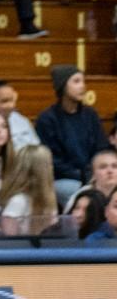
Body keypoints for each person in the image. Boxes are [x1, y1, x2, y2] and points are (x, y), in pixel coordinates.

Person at [35, 66, 109, 208]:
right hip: (64, 178)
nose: (83, 86)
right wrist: (82, 176)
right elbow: (51, 159)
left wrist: (96, 172)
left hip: (93, 175)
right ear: (62, 86)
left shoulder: (90, 114)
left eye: (83, 81)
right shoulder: (47, 119)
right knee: (83, 195)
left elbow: (101, 147)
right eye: (76, 81)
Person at [0, 144, 57, 232]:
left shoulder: (48, 199)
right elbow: (8, 240)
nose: (52, 168)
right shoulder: (18, 201)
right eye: (49, 164)